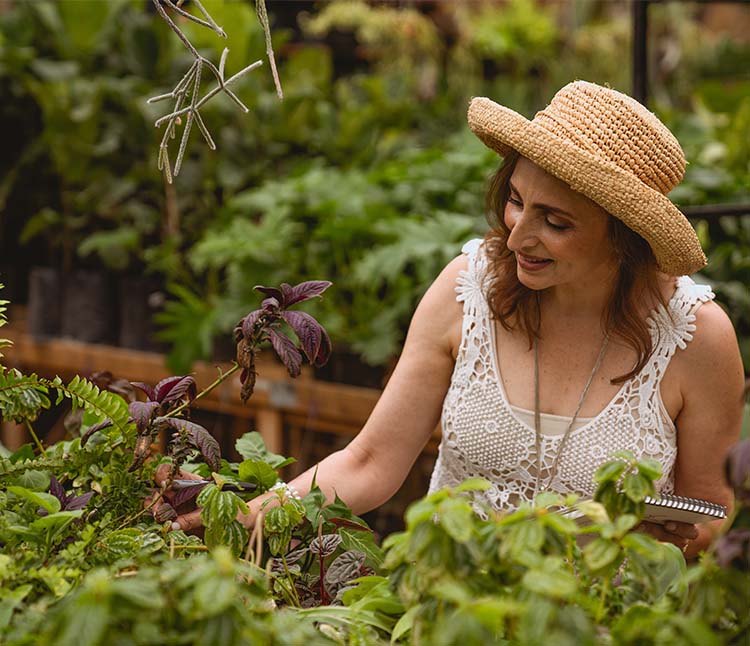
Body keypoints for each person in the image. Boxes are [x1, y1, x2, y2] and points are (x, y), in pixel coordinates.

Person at [159, 80, 745, 559]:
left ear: (625, 239)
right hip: (450, 611)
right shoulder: (469, 289)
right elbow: (369, 462)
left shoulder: (696, 339)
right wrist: (238, 522)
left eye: (556, 222)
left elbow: (713, 518)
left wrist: (637, 546)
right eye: (516, 199)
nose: (518, 233)